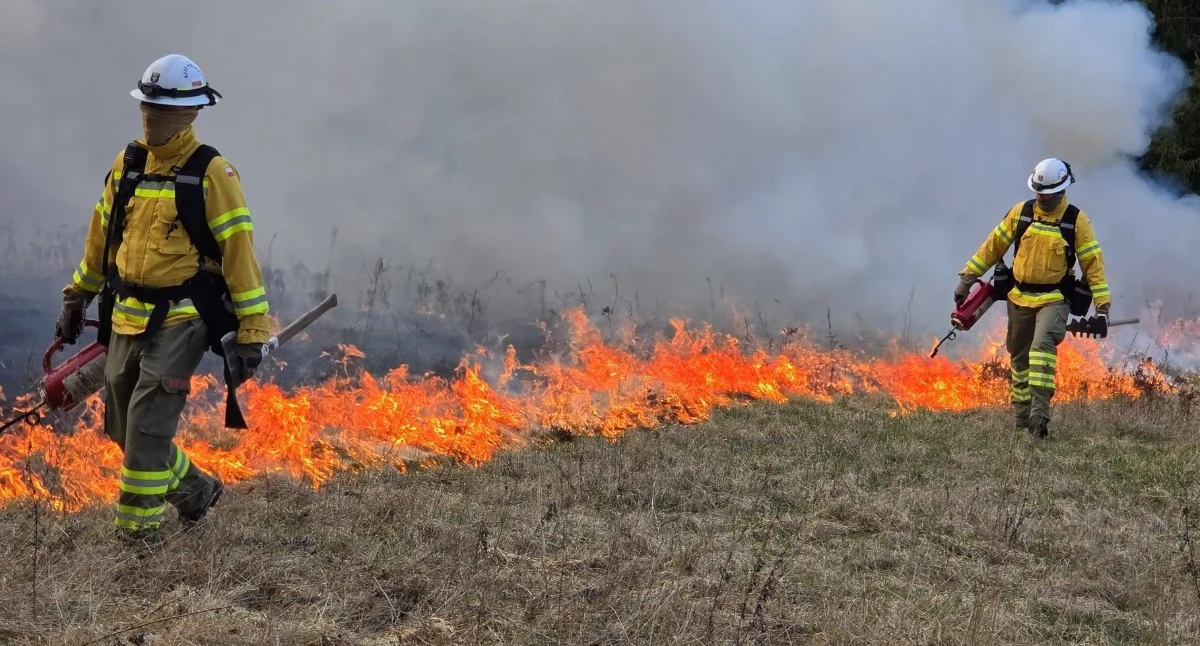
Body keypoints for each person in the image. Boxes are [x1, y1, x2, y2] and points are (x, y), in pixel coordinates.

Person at [55, 54, 272, 546]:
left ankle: (137, 542)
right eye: (148, 107)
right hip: (127, 315)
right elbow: (101, 239)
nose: (153, 118)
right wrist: (77, 296)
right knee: (123, 427)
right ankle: (196, 492)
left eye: (164, 110)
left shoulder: (212, 173)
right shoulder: (128, 163)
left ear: (191, 112)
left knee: (148, 429)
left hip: (183, 318)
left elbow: (240, 254)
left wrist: (252, 331)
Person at [953, 157, 1110, 439]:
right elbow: (992, 248)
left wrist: (1102, 308)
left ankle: (1040, 416)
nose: (1040, 197)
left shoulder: (1076, 221)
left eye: (1046, 193)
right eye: (1037, 191)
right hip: (1019, 296)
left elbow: (1093, 265)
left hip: (1054, 299)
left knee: (1041, 348)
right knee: (1019, 355)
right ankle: (1021, 417)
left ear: (1061, 190)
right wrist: (966, 280)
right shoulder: (1021, 212)